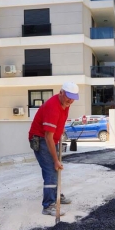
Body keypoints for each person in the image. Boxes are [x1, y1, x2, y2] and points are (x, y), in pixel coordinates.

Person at [28, 82, 79, 216]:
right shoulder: (53, 107)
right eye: (68, 97)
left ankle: (56, 194)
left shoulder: (66, 104)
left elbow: (59, 124)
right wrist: (56, 159)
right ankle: (48, 205)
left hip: (51, 139)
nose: (71, 100)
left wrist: (60, 131)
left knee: (55, 169)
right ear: (61, 92)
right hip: (40, 139)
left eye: (73, 97)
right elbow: (47, 136)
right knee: (51, 169)